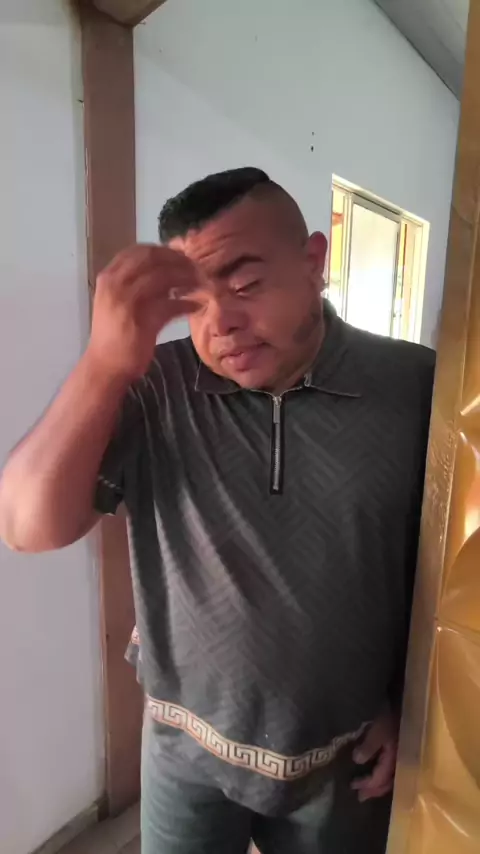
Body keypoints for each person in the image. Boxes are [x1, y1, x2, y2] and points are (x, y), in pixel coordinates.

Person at [0, 167, 434, 854]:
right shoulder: (156, 387)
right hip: (183, 749)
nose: (221, 323)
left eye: (245, 284)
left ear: (314, 262)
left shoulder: (415, 387)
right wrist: (105, 364)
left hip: (343, 754)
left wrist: (409, 706)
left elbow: (439, 569)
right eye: (193, 303)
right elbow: (27, 527)